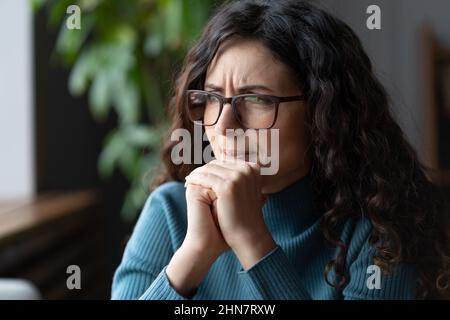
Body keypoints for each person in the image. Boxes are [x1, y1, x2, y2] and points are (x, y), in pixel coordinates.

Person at [111, 0, 449, 300]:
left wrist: (253, 241)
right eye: (212, 98)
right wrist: (193, 254)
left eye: (257, 99)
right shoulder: (171, 210)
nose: (224, 125)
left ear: (324, 113)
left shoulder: (379, 229)